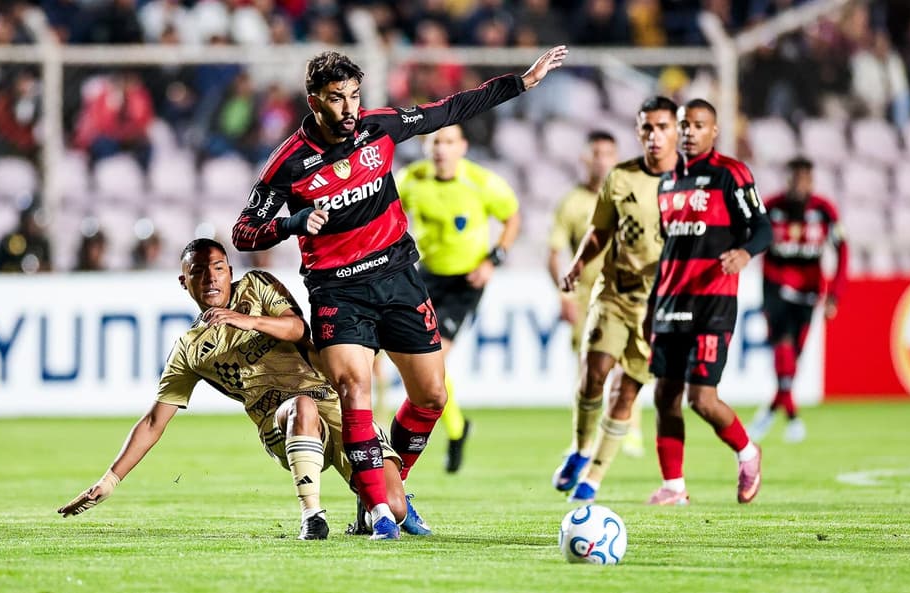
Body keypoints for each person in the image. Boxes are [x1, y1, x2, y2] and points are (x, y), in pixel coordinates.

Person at [231, 47, 568, 539]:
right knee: (355, 390)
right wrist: (291, 223)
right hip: (337, 289)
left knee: (432, 395)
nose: (349, 109)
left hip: (398, 277)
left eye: (354, 96)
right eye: (336, 99)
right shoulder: (288, 163)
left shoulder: (378, 127)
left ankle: (388, 492)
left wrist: (521, 82)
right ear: (313, 102)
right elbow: (243, 232)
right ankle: (382, 515)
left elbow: (449, 109)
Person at [56, 238, 432, 540]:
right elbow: (155, 421)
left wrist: (246, 320)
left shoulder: (257, 286)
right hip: (280, 418)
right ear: (184, 281)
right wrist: (109, 480)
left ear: (230, 271)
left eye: (218, 268)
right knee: (301, 406)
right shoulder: (190, 349)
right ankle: (312, 516)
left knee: (395, 508)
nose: (210, 279)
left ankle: (367, 511)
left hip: (334, 399)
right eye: (198, 272)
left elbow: (298, 328)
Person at [554, 98, 680, 503]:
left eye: (662, 127)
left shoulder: (691, 185)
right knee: (595, 371)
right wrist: (576, 266)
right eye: (647, 128)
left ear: (676, 130)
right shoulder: (622, 177)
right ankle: (579, 447)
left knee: (627, 392)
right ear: (639, 131)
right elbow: (598, 232)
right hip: (614, 294)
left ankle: (594, 476)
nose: (654, 136)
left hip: (659, 309)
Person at [647, 99, 772, 505]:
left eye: (698, 125)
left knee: (701, 398)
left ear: (713, 131)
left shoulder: (729, 175)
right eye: (684, 125)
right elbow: (670, 250)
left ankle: (748, 452)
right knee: (665, 395)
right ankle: (674, 487)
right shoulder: (667, 181)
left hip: (712, 302)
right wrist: (651, 307)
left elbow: (762, 227)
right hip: (670, 299)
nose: (689, 132)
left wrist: (745, 253)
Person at [396, 124, 520, 473]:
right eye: (435, 142)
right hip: (426, 276)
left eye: (448, 142)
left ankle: (452, 428)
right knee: (425, 361)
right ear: (425, 146)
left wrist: (493, 260)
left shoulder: (481, 183)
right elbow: (389, 213)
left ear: (462, 146)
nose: (441, 149)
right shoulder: (410, 180)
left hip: (466, 280)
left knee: (432, 357)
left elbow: (512, 218)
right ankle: (457, 427)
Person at [546, 130, 648, 464]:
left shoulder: (627, 195)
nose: (602, 160)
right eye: (596, 153)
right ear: (585, 158)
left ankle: (630, 429)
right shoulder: (572, 202)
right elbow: (555, 253)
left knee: (625, 360)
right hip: (585, 295)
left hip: (625, 291)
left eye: (608, 153)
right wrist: (564, 294)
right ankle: (585, 440)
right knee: (587, 366)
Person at [749, 156, 847, 443]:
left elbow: (843, 251)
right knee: (783, 351)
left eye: (806, 179)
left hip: (808, 293)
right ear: (788, 179)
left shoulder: (824, 210)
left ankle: (770, 410)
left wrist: (835, 295)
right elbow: (753, 238)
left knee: (794, 361)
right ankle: (793, 417)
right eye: (796, 179)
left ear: (812, 182)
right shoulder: (771, 206)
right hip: (776, 288)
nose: (800, 185)